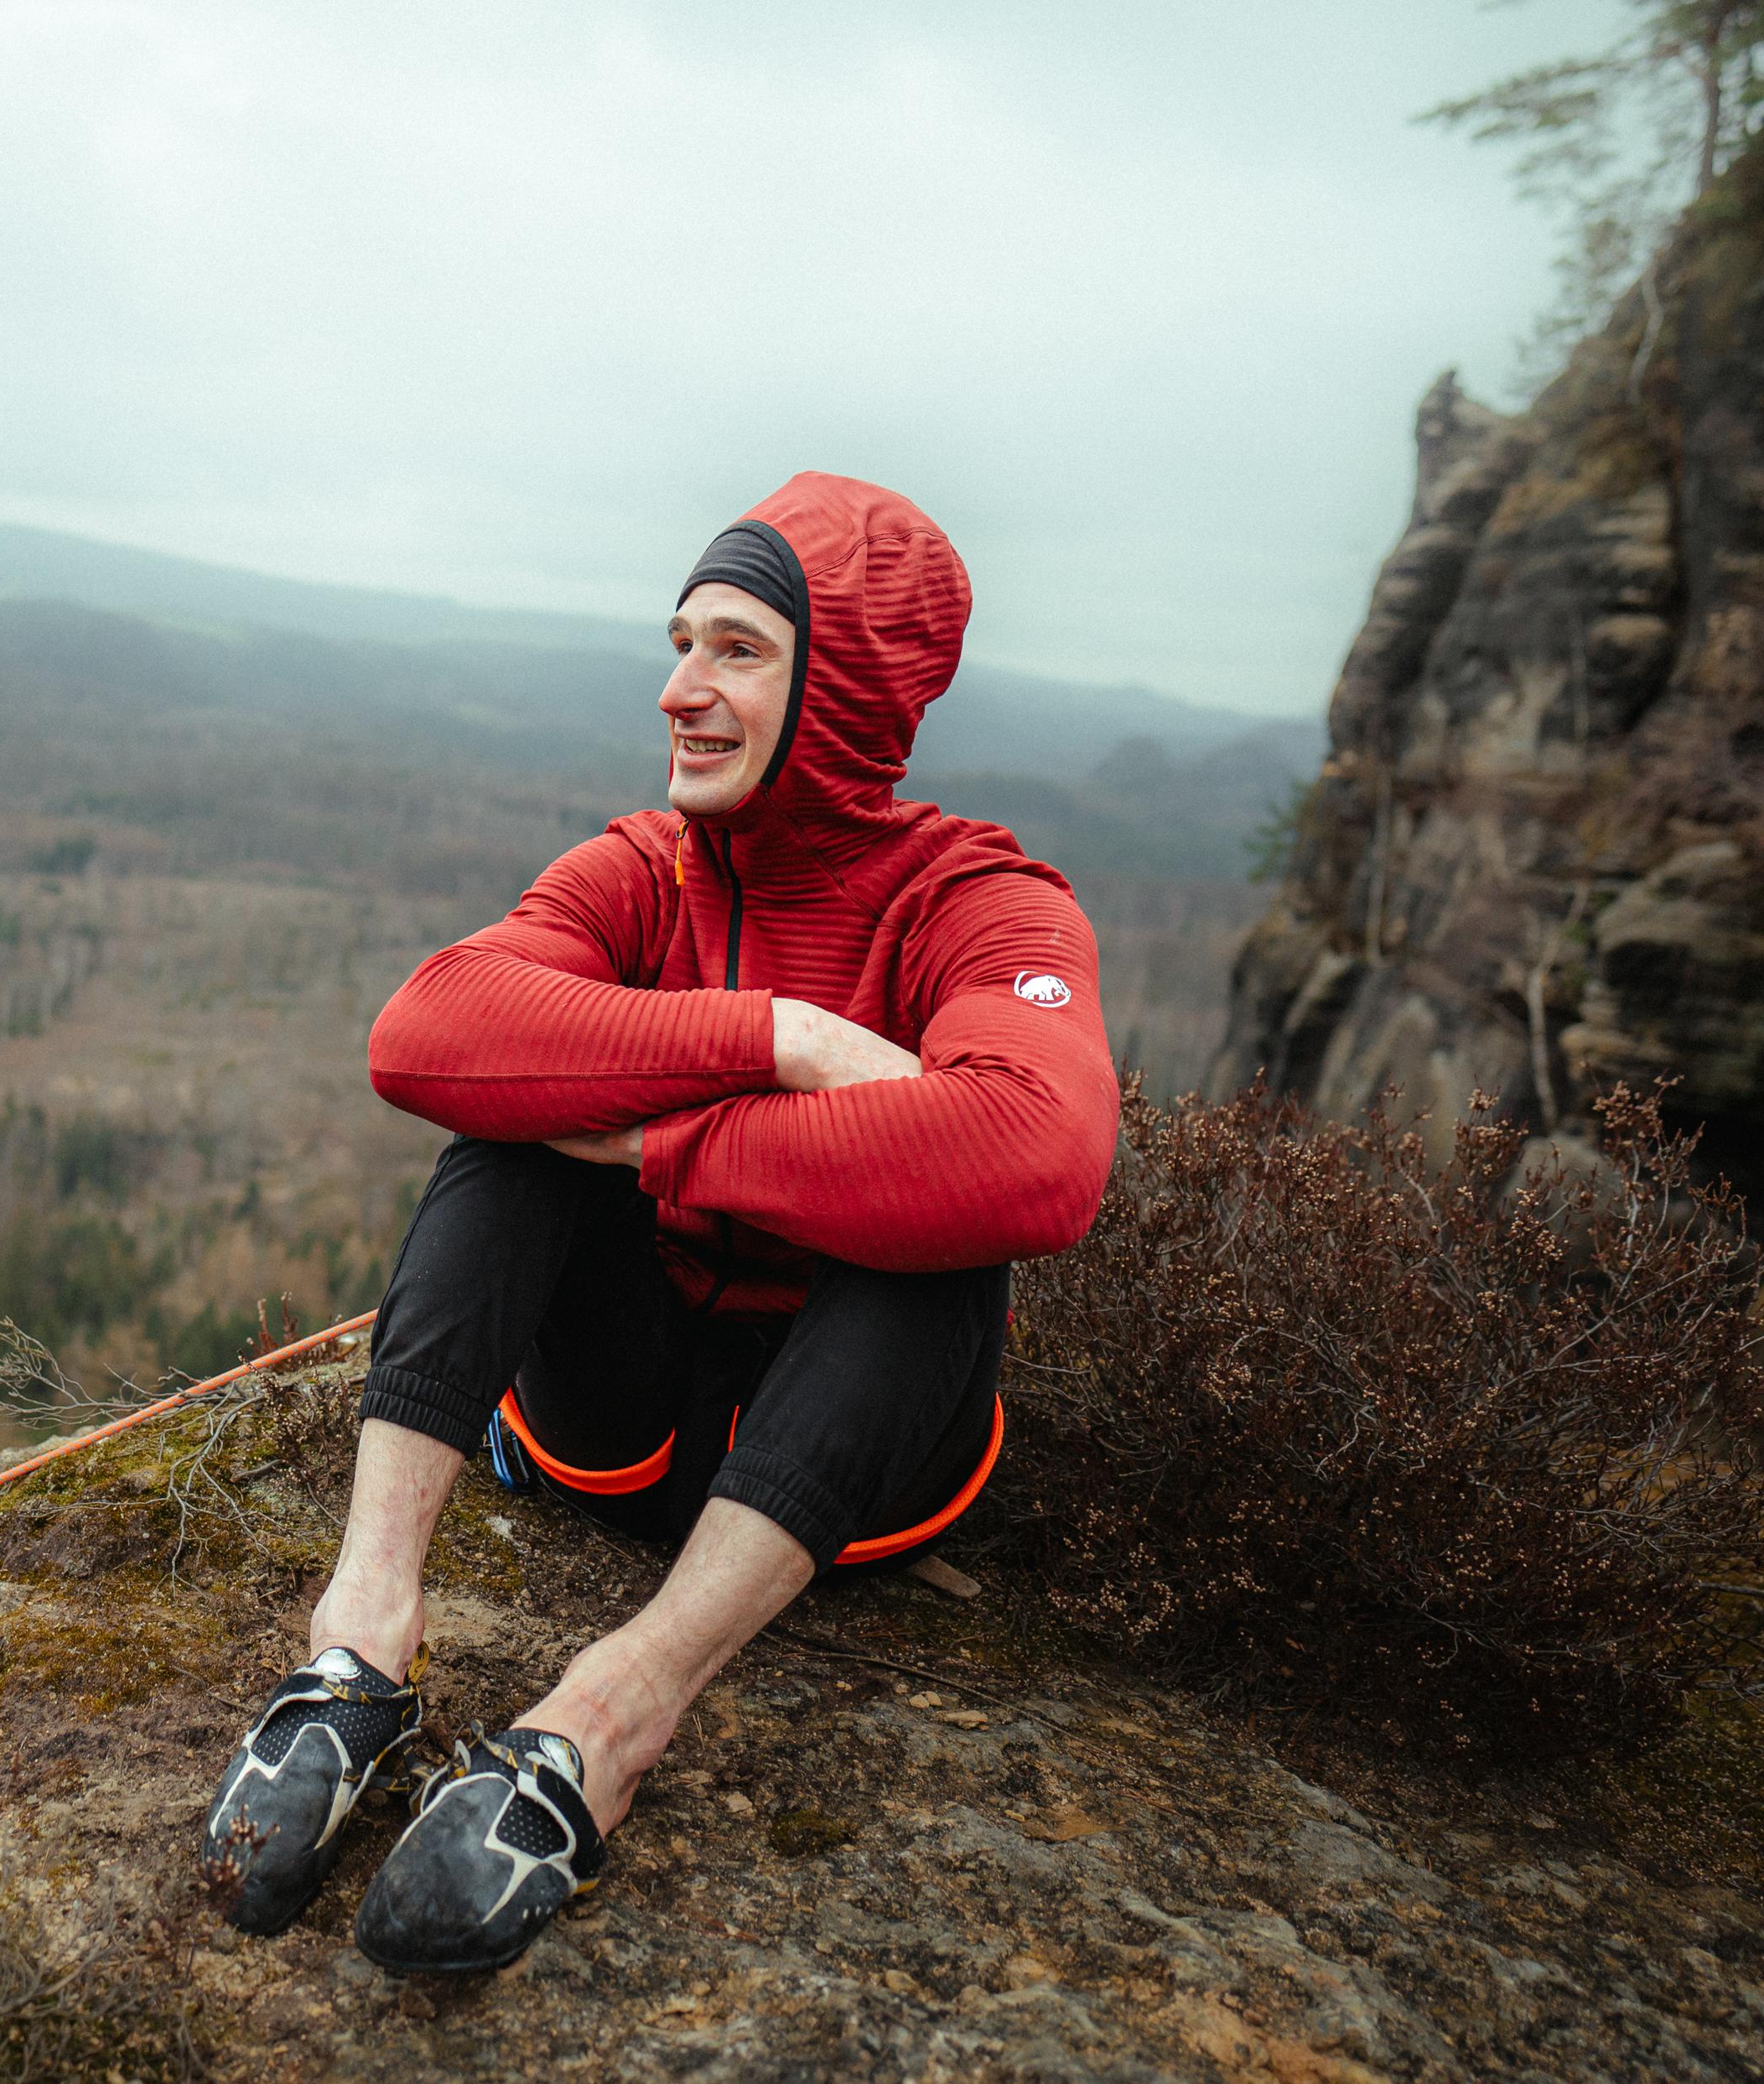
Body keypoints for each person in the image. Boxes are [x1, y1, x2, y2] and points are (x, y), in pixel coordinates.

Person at [199, 472, 1118, 1974]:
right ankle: (358, 1643)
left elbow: (1039, 1158)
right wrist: (787, 1043)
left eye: (739, 649)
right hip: (612, 1433)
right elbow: (424, 1030)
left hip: (850, 1481)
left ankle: (614, 1714)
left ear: (846, 693)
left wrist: (663, 1139)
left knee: (945, 1233)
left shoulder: (982, 903)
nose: (680, 688)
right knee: (511, 1132)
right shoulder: (646, 867)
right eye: (682, 640)